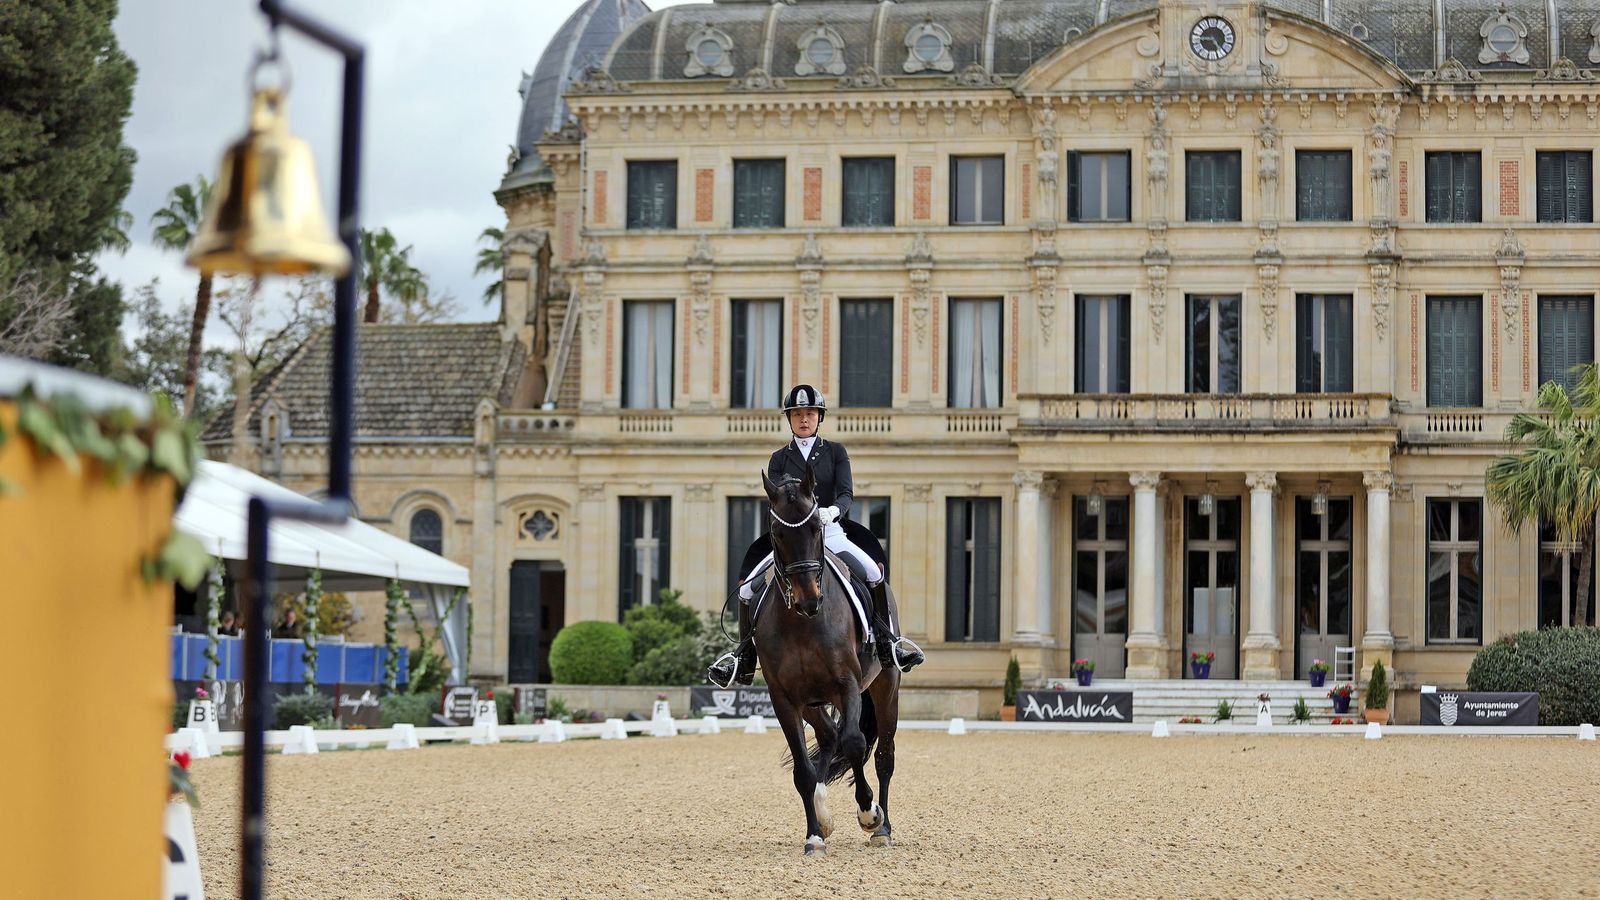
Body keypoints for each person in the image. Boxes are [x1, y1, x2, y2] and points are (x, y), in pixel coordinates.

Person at [708, 384, 924, 688]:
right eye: (797, 414)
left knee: (874, 574)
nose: (803, 419)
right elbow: (778, 499)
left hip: (830, 532)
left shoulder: (835, 452)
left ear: (818, 417)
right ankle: (744, 659)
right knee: (746, 591)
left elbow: (847, 493)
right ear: (790, 419)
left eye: (809, 413)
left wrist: (832, 512)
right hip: (794, 539)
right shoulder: (779, 458)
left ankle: (889, 645)